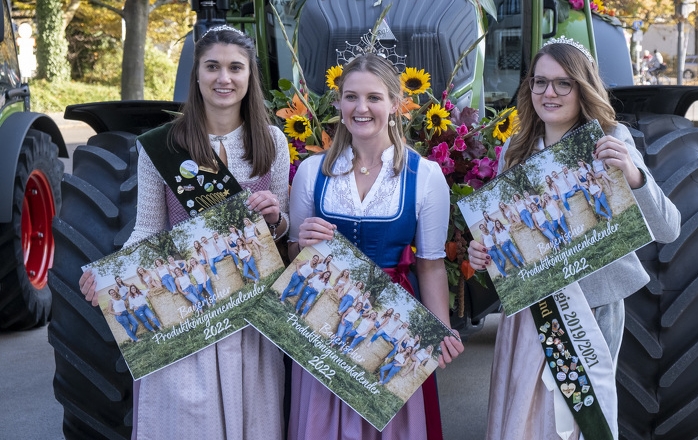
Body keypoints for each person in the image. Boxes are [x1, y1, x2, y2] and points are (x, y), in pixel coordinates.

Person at [79, 26, 290, 439]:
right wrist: (111, 273)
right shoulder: (162, 145)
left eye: (235, 68)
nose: (223, 78)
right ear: (197, 75)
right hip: (187, 309)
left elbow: (282, 234)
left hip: (249, 310)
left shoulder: (273, 142)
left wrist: (276, 217)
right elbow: (147, 229)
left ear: (250, 77)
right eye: (212, 67)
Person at [468, 38, 680, 440]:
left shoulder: (611, 138)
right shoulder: (514, 150)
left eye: (564, 83)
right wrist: (484, 253)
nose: (550, 93)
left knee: (580, 418)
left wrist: (634, 178)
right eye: (540, 82)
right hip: (532, 311)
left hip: (594, 306)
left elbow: (669, 229)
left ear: (583, 87)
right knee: (527, 414)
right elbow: (503, 238)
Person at [288, 52, 463, 439]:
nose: (361, 108)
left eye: (374, 98)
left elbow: (430, 265)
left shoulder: (425, 175)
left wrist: (442, 330)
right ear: (338, 103)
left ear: (396, 104)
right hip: (325, 317)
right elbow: (293, 258)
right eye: (351, 97)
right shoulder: (312, 172)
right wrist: (304, 244)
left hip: (394, 322)